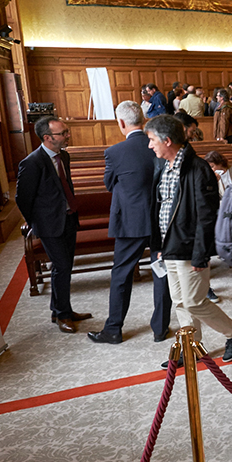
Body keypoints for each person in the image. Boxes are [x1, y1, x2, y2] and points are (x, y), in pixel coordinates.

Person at [146, 115, 232, 366]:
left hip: (189, 247)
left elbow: (206, 216)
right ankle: (192, 346)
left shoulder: (197, 169)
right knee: (179, 301)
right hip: (169, 247)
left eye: (152, 140)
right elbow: (160, 208)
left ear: (167, 141)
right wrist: (158, 247)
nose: (150, 145)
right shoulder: (164, 166)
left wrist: (201, 253)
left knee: (194, 301)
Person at [89, 101, 171, 344]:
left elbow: (108, 183)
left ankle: (114, 328)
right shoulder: (157, 146)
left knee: (122, 274)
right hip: (160, 220)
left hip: (130, 222)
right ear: (143, 120)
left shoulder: (114, 152)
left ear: (121, 123)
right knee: (161, 272)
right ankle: (160, 328)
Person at [16, 117, 91, 334]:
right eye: (63, 133)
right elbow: (23, 198)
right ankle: (63, 314)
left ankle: (58, 309)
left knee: (64, 266)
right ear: (47, 138)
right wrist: (36, 224)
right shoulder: (32, 162)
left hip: (68, 218)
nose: (68, 135)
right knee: (62, 267)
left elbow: (65, 186)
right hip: (49, 225)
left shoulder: (63, 156)